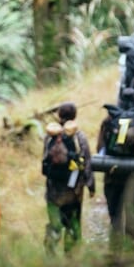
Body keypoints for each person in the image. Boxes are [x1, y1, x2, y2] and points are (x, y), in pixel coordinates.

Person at [96, 87, 134, 251]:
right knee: (132, 212)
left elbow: (99, 148)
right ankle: (132, 250)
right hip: (133, 176)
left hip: (112, 174)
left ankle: (114, 250)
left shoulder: (109, 120)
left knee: (115, 215)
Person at [41, 102, 95, 255]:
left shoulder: (49, 136)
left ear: (59, 116)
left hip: (53, 189)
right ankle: (70, 255)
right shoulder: (79, 137)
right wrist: (91, 186)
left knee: (54, 222)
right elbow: (86, 162)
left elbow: (44, 162)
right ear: (74, 116)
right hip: (73, 191)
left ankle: (50, 251)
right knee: (72, 222)